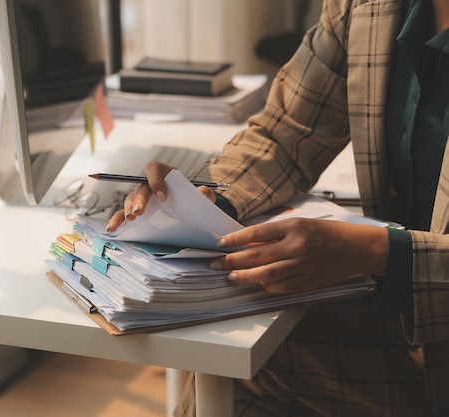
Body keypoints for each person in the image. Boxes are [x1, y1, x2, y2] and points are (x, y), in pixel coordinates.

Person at [107, 0, 449, 415]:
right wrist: (208, 199)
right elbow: (287, 130)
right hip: (400, 323)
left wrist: (377, 251)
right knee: (231, 371)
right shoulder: (365, 7)